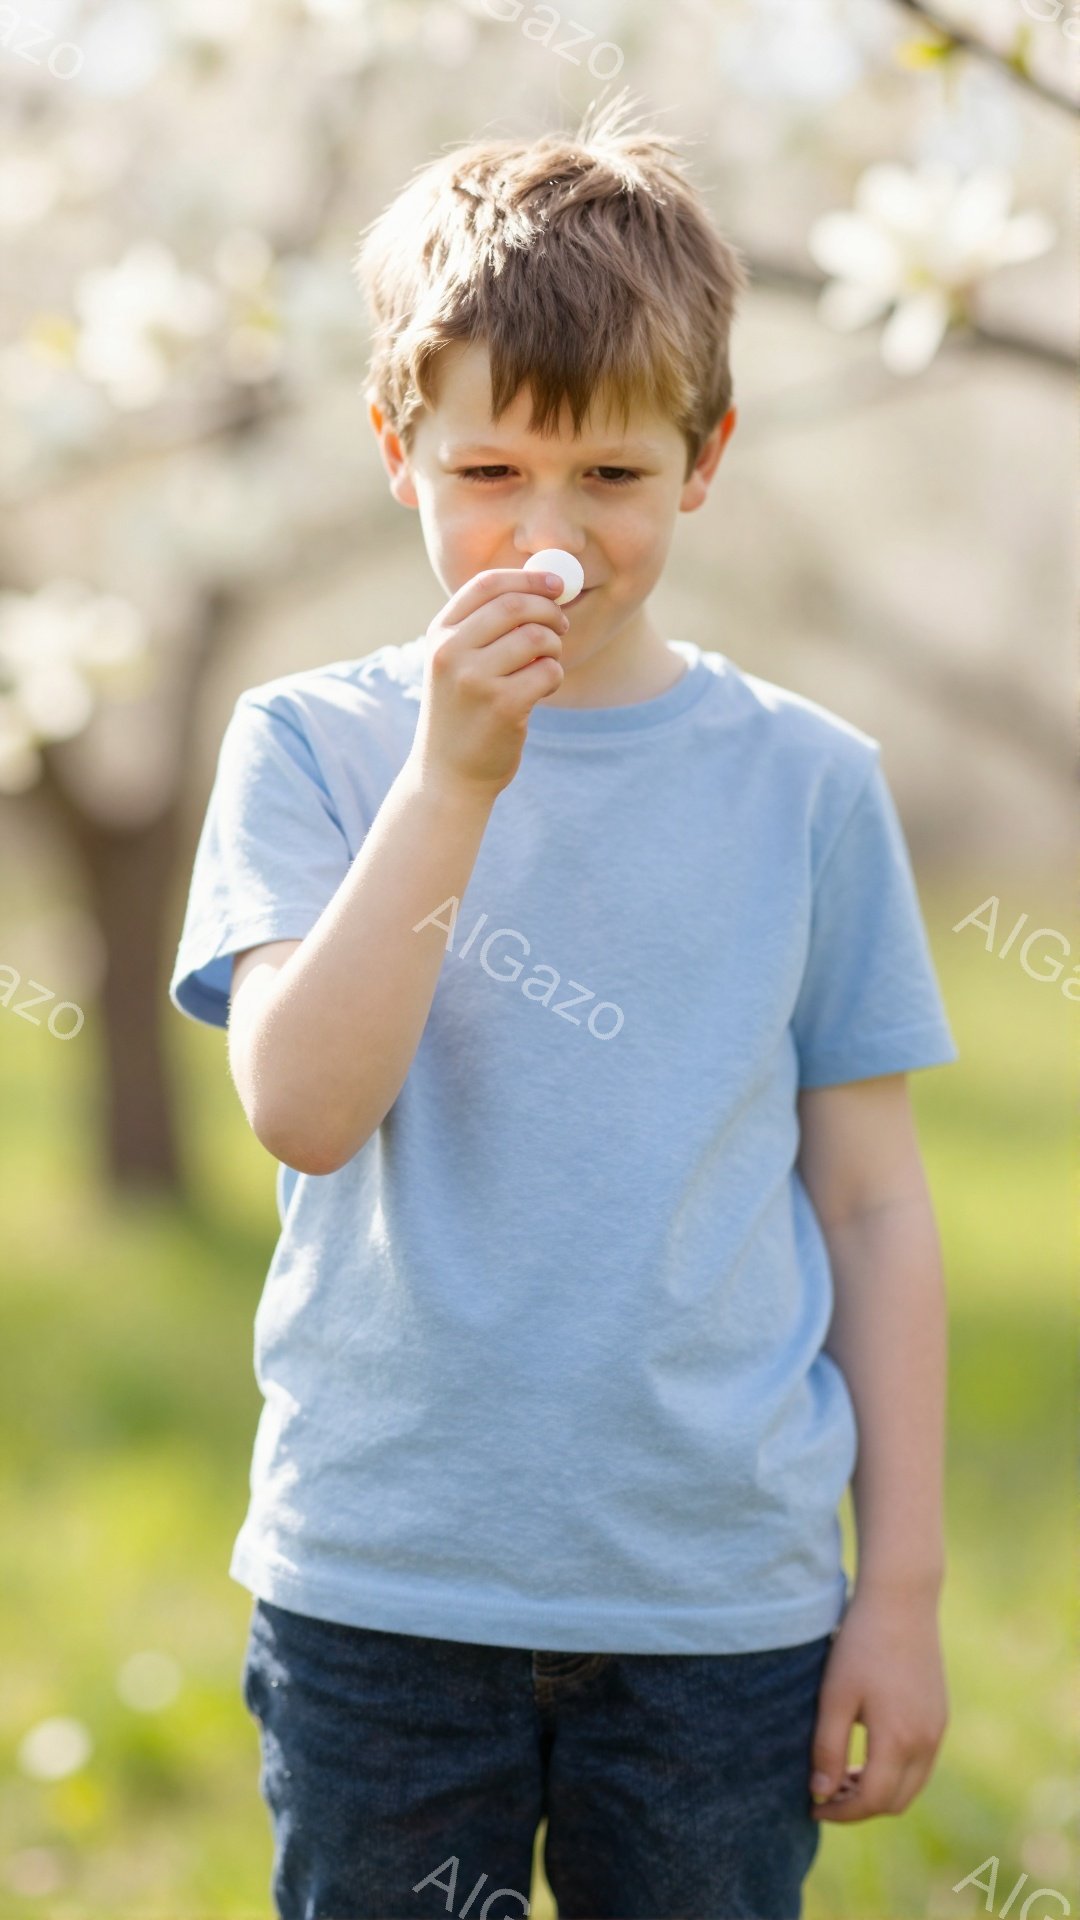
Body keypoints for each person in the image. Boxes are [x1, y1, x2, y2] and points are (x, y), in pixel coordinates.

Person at [169, 89, 958, 1920]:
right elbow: (302, 1106)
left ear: (706, 457)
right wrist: (454, 782)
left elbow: (873, 1198)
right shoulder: (314, 744)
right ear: (398, 452)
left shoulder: (808, 783)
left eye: (611, 477)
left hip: (717, 1607)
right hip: (386, 1587)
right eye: (490, 474)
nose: (553, 536)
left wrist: (896, 1589)